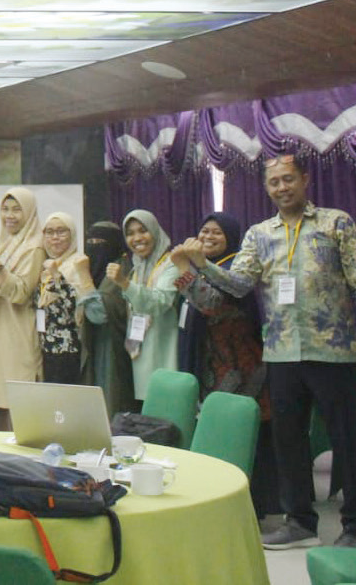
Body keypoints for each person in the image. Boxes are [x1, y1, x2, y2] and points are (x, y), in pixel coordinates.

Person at [193, 155, 356, 549]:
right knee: (289, 441)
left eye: (288, 179)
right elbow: (238, 285)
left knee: (347, 440)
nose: (281, 188)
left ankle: (353, 526)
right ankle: (299, 521)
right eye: (274, 183)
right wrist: (199, 262)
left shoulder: (337, 223)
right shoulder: (258, 234)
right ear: (267, 189)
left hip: (334, 352)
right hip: (281, 353)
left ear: (304, 179)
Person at [169, 211, 279, 519]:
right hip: (213, 364)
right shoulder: (206, 268)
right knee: (221, 432)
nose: (208, 238)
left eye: (216, 233)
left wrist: (182, 268)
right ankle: (221, 499)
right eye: (204, 232)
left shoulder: (234, 267)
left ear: (231, 237)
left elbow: (211, 304)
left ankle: (253, 505)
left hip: (241, 367)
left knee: (243, 433)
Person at [0, 187, 44, 431]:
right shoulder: (5, 244)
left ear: (29, 212)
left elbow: (21, 292)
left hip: (19, 333)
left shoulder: (35, 247)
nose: (10, 216)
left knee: (18, 396)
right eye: (5, 209)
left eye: (17, 210)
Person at [104, 210, 179, 402]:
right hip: (140, 353)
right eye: (130, 233)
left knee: (164, 407)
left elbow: (160, 302)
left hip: (163, 350)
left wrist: (124, 283)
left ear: (155, 231)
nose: (137, 238)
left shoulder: (172, 264)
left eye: (143, 230)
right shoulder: (138, 266)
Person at [81, 221, 136, 416]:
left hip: (112, 346)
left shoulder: (120, 271)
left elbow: (99, 313)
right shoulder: (97, 270)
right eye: (91, 241)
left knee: (109, 400)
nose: (94, 246)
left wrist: (84, 278)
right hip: (95, 344)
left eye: (100, 241)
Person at [34, 213, 85, 385]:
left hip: (67, 350)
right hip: (46, 348)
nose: (55, 238)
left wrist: (57, 276)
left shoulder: (78, 264)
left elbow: (74, 309)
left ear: (72, 234)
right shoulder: (46, 267)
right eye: (49, 232)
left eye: (61, 231)